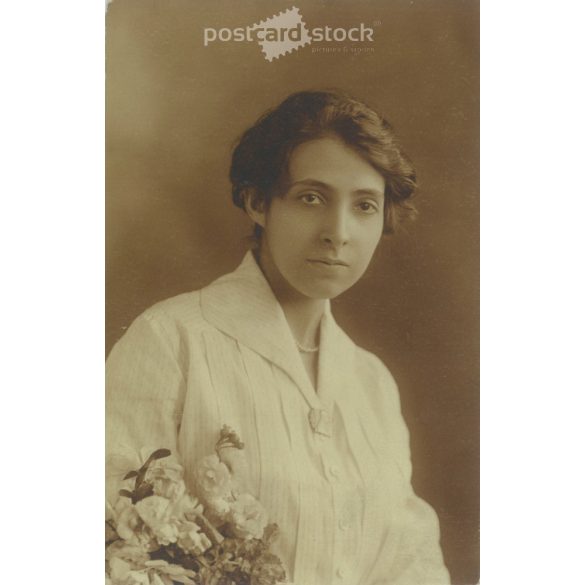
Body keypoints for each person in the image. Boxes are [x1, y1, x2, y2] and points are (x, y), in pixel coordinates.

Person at [106, 90, 451, 584]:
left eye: (365, 206)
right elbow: (111, 541)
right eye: (311, 198)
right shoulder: (171, 341)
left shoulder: (372, 384)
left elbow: (411, 565)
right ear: (258, 202)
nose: (338, 232)